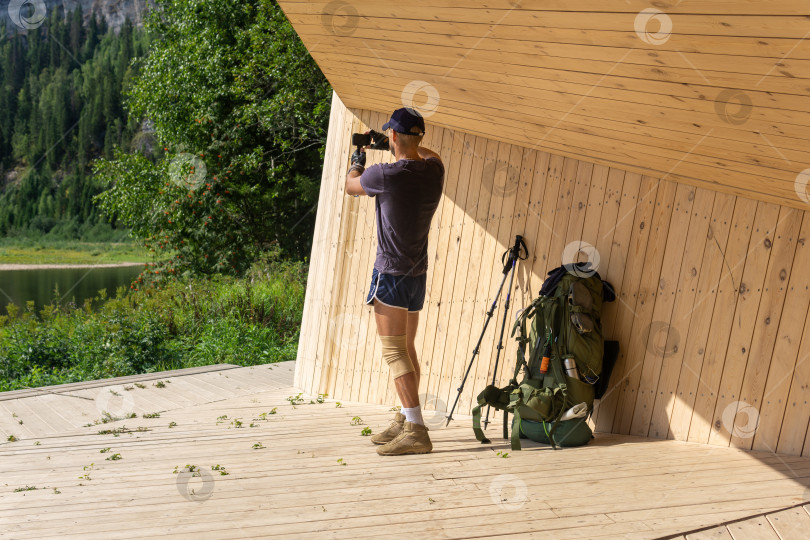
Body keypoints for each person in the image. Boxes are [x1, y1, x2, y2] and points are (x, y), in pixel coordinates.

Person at [345, 107, 444, 456]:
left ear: (393, 137)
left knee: (394, 352)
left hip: (389, 273)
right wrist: (400, 145)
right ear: (417, 137)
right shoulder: (434, 171)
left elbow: (350, 186)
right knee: (408, 348)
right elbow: (429, 154)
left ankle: (417, 428)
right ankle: (406, 417)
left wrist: (357, 158)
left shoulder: (383, 175)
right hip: (417, 274)